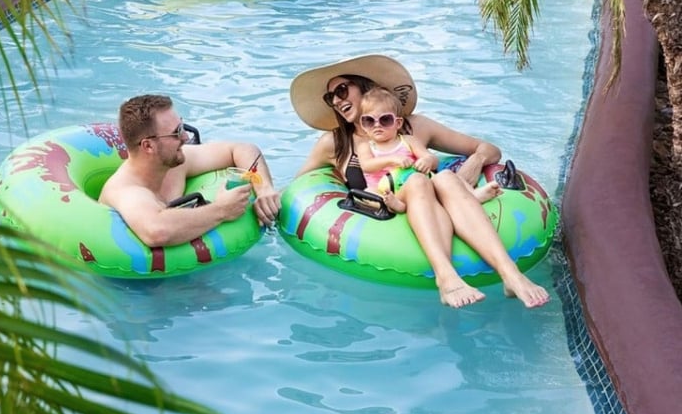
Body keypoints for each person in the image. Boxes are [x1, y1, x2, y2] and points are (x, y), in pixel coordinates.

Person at [290, 55, 550, 309]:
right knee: (416, 181)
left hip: (434, 197)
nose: (336, 100)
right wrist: (266, 192)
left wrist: (475, 162)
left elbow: (489, 149)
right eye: (330, 96)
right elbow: (298, 186)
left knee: (446, 177)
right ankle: (446, 277)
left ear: (365, 86)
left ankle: (510, 274)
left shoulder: (415, 129)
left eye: (343, 89)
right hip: (388, 214)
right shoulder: (334, 143)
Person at [99, 94, 281, 248]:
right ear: (148, 146)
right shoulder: (126, 190)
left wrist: (264, 189)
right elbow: (157, 232)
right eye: (176, 132)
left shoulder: (175, 165)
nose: (185, 137)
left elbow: (242, 149)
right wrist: (222, 209)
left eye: (183, 127)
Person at [357, 86, 503, 213]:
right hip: (385, 189)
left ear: (398, 123)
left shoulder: (408, 141)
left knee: (445, 176)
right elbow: (366, 166)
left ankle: (473, 195)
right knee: (366, 193)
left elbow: (431, 158)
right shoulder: (366, 146)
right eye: (369, 121)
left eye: (385, 120)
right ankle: (395, 205)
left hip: (416, 187)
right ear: (363, 125)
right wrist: (391, 159)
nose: (377, 125)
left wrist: (426, 160)